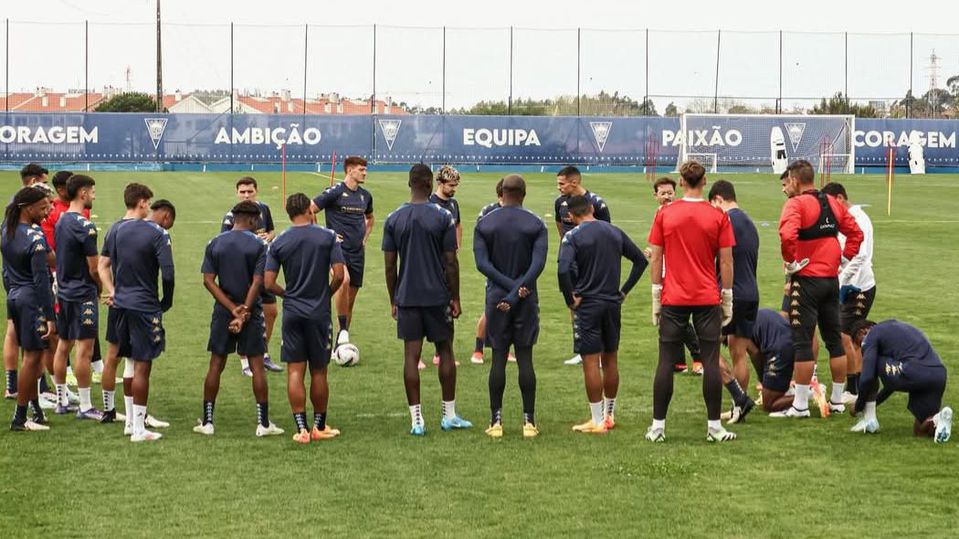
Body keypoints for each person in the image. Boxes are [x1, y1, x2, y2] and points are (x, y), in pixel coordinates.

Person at [647, 160, 736, 443]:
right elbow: (726, 260)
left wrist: (655, 295)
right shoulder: (718, 215)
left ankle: (658, 427)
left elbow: (657, 256)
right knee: (710, 361)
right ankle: (714, 427)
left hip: (673, 296)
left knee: (665, 361)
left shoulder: (665, 213)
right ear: (705, 181)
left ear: (681, 182)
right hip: (707, 295)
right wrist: (728, 296)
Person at [383, 164, 472, 436]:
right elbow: (451, 261)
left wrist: (394, 299)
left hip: (407, 296)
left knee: (411, 355)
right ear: (428, 182)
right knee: (445, 350)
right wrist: (455, 297)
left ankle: (417, 420)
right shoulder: (443, 216)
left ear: (410, 183)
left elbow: (389, 266)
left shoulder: (394, 218)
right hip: (437, 297)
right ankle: (449, 415)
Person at [777, 160, 862, 418]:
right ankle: (836, 401)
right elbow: (856, 233)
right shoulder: (833, 203)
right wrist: (844, 259)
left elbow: (787, 235)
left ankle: (800, 406)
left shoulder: (796, 204)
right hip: (830, 281)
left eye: (787, 181)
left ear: (794, 180)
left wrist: (791, 263)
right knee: (834, 340)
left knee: (803, 342)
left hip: (807, 280)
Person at [558, 195, 647, 434]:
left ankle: (596, 421)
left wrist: (570, 299)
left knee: (590, 361)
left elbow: (563, 269)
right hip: (611, 303)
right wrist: (624, 291)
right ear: (591, 209)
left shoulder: (572, 237)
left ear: (571, 216)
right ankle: (609, 415)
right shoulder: (614, 231)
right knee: (610, 359)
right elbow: (640, 261)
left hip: (588, 305)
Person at [195, 201, 283, 437]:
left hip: (224, 311)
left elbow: (208, 281)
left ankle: (207, 422)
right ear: (254, 220)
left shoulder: (215, 242)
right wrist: (243, 311)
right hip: (251, 312)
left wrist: (232, 309)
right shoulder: (260, 245)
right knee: (257, 366)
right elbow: (259, 282)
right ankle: (263, 424)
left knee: (216, 364)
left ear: (234, 218)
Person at [264, 193, 345, 444]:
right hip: (319, 312)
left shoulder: (278, 241)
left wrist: (287, 294)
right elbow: (340, 275)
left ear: (289, 213)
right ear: (310, 210)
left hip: (293, 312)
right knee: (319, 371)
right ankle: (319, 427)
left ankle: (301, 429)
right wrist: (325, 294)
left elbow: (268, 283)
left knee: (295, 370)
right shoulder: (327, 236)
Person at [473, 174, 547, 438]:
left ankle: (496, 422)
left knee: (498, 359)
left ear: (501, 193)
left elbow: (483, 264)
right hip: (525, 298)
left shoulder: (485, 223)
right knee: (525, 358)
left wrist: (507, 291)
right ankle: (529, 422)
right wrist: (518, 291)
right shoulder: (536, 223)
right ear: (524, 194)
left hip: (497, 300)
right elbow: (537, 265)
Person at [99, 189, 174, 442]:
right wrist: (166, 301)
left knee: (129, 362)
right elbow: (168, 273)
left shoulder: (116, 230)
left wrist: (113, 291)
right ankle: (140, 430)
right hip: (144, 305)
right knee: (143, 365)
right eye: (148, 203)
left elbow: (104, 264)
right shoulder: (157, 233)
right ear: (142, 203)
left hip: (120, 305)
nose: (149, 207)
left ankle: (131, 422)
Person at [708, 180, 760, 424]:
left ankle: (737, 397)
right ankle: (738, 408)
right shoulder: (750, 223)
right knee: (739, 353)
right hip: (751, 292)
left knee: (707, 347)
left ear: (718, 199)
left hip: (729, 293)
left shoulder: (725, 221)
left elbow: (718, 259)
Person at [850, 320, 952, 443]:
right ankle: (937, 419)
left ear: (863, 332)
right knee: (920, 432)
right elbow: (891, 384)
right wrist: (874, 402)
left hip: (913, 372)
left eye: (859, 342)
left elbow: (867, 378)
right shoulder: (897, 329)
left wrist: (858, 405)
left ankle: (870, 420)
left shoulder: (871, 335)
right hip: (937, 374)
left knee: (872, 363)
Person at [311, 156, 375, 356]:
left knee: (350, 300)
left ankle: (339, 341)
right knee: (343, 281)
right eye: (361, 169)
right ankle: (344, 331)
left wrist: (364, 237)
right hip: (337, 250)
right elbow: (310, 209)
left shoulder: (365, 196)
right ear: (349, 171)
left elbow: (370, 218)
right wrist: (324, 234)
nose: (364, 173)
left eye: (365, 169)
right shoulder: (336, 192)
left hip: (357, 253)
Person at [51, 175, 103, 420]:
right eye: (92, 191)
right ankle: (84, 405)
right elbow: (94, 268)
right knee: (85, 348)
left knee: (64, 345)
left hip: (64, 292)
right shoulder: (86, 226)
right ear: (82, 193)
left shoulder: (61, 220)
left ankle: (61, 400)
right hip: (83, 294)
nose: (94, 195)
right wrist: (102, 287)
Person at [820, 182, 876, 406]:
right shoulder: (843, 218)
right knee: (851, 337)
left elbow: (859, 257)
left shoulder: (859, 219)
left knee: (846, 336)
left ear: (840, 199)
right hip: (849, 284)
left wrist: (841, 283)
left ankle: (854, 389)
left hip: (858, 287)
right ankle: (861, 386)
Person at [4, 187, 55, 431]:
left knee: (30, 358)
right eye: (43, 207)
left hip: (14, 295)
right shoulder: (34, 238)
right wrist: (51, 316)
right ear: (28, 207)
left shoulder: (7, 229)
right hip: (31, 300)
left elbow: (6, 270)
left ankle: (35, 411)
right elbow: (42, 280)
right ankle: (20, 418)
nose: (46, 212)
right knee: (33, 358)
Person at [222, 177, 283, 375]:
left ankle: (262, 352)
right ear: (237, 193)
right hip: (243, 272)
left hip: (264, 269)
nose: (246, 195)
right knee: (245, 313)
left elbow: (271, 231)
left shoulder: (263, 209)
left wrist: (268, 237)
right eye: (242, 192)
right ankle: (245, 361)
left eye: (250, 191)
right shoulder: (231, 216)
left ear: (256, 191)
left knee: (271, 311)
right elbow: (225, 243)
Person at [645, 177, 703, 375]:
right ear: (656, 196)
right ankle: (678, 362)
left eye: (670, 193)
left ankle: (698, 356)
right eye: (663, 193)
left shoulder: (676, 212)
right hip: (663, 270)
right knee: (667, 318)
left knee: (676, 317)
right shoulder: (659, 213)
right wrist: (652, 252)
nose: (667, 197)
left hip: (676, 272)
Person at [554, 165, 610, 367]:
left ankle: (603, 350)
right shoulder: (560, 203)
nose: (558, 187)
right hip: (570, 263)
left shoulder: (596, 203)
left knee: (596, 303)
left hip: (592, 263)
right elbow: (561, 228)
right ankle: (580, 349)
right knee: (573, 303)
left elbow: (606, 234)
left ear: (574, 182)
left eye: (561, 183)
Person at [427, 165, 463, 368]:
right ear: (440, 183)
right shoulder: (430, 203)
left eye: (456, 185)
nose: (454, 189)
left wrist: (457, 245)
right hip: (432, 264)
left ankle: (442, 353)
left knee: (448, 308)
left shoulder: (454, 204)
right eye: (451, 185)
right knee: (428, 307)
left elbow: (457, 225)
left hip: (448, 265)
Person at [470, 178, 506, 365]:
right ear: (501, 195)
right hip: (493, 268)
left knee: (511, 308)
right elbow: (481, 239)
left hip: (512, 267)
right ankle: (478, 350)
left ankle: (506, 349)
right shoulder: (488, 212)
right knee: (490, 309)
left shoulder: (516, 211)